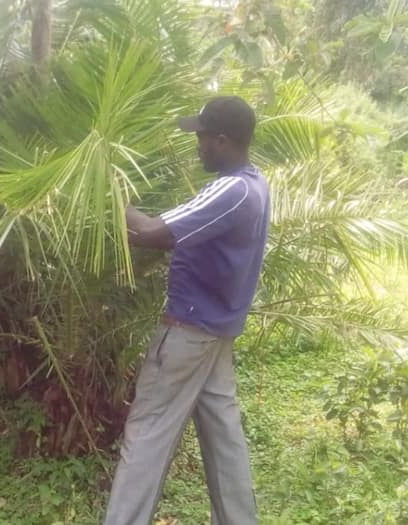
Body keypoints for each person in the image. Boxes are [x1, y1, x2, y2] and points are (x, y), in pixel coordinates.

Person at [103, 96, 269, 525]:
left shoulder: (231, 189)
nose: (196, 145)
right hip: (216, 336)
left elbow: (153, 232)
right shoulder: (255, 183)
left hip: (189, 333)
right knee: (224, 439)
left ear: (223, 139)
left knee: (147, 435)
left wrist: (105, 190)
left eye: (201, 137)